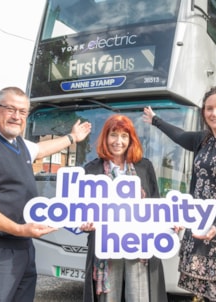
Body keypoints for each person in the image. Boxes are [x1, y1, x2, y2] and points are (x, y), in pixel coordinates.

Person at [0, 86, 91, 302]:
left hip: (23, 247)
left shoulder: (19, 144)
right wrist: (19, 229)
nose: (16, 116)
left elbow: (41, 149)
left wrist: (72, 138)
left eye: (22, 111)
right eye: (10, 109)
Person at [143, 87, 216, 302]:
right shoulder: (204, 140)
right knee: (204, 296)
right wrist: (156, 120)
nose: (214, 113)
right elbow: (179, 135)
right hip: (199, 232)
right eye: (209, 108)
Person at [80, 114, 168, 302]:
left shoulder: (144, 167)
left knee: (139, 296)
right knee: (107, 298)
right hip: (105, 249)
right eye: (113, 135)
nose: (118, 141)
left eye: (124, 136)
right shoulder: (91, 170)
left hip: (139, 246)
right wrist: (83, 223)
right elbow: (82, 209)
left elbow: (155, 204)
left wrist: (168, 225)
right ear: (105, 137)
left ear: (131, 140)